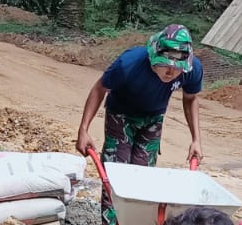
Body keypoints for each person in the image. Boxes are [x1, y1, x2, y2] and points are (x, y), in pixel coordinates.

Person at [75, 25, 205, 168]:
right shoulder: (128, 64)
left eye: (177, 67)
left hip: (153, 118)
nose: (171, 72)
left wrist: (196, 141)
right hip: (121, 114)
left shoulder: (192, 70)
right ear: (153, 56)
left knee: (143, 173)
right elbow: (99, 88)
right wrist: (84, 130)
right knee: (117, 168)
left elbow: (191, 99)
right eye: (165, 64)